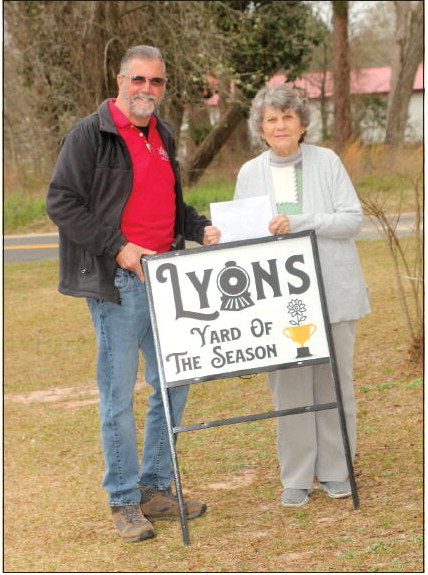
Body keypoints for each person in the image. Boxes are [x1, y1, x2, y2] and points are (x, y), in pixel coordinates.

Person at [46, 45, 220, 543]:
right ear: (121, 81)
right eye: (139, 80)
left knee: (175, 382)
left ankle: (154, 487)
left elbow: (168, 203)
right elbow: (61, 201)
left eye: (157, 82)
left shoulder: (161, 134)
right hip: (118, 284)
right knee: (117, 396)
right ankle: (122, 501)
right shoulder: (89, 135)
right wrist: (118, 248)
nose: (148, 89)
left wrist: (200, 226)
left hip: (167, 279)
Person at [233, 84, 370, 507]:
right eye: (271, 119)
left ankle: (335, 469)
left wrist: (302, 221)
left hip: (333, 289)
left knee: (334, 382)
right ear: (261, 127)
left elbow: (352, 220)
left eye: (287, 118)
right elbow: (242, 238)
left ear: (303, 123)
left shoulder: (326, 161)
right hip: (279, 300)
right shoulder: (249, 173)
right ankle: (296, 476)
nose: (279, 126)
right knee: (289, 388)